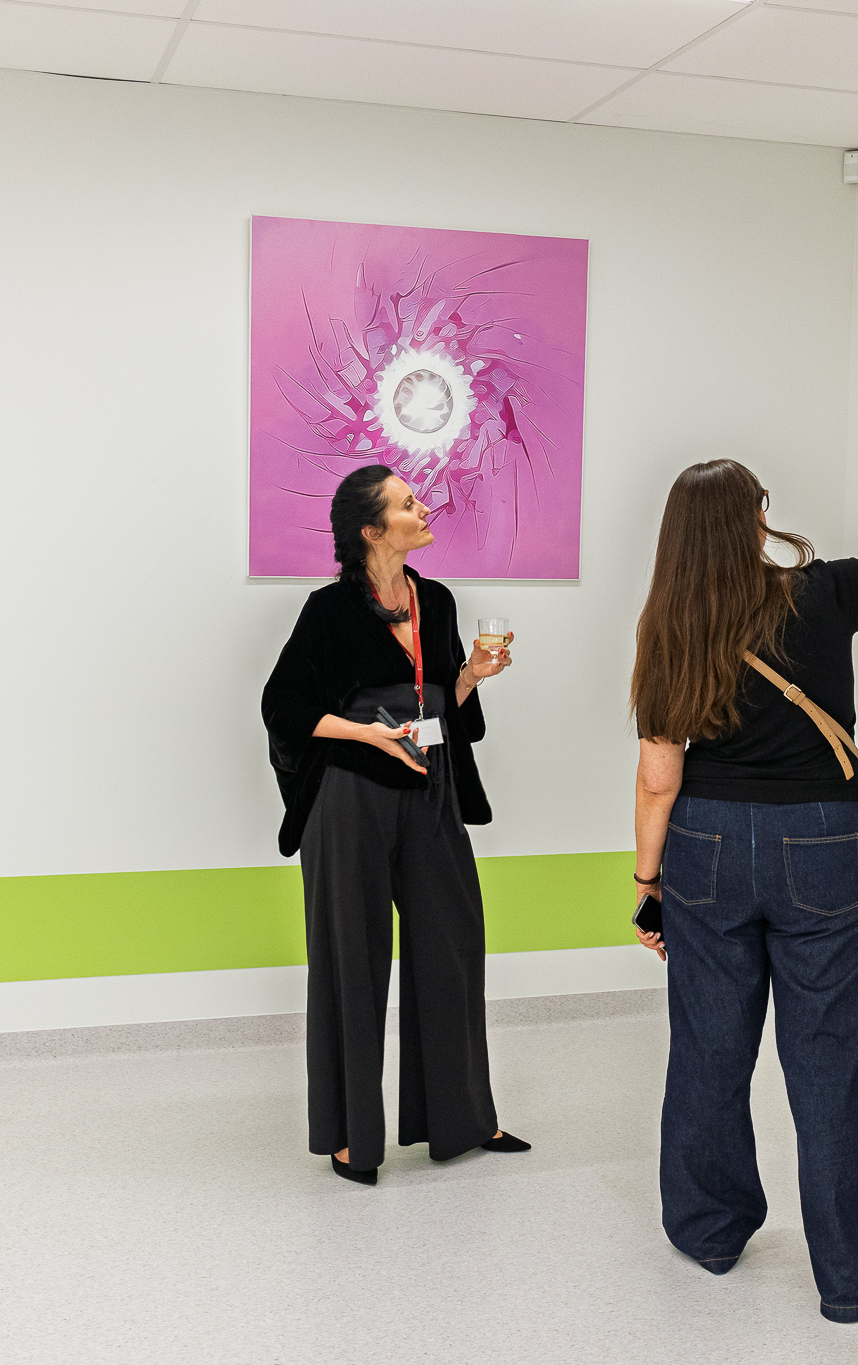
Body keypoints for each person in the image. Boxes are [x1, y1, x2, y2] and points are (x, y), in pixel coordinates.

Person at [627, 442, 858, 1322]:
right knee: (825, 1059)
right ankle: (856, 1276)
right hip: (828, 839)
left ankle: (709, 1228)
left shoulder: (668, 624)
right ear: (753, 519)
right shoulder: (823, 591)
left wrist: (648, 881)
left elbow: (659, 777)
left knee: (708, 1045)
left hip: (707, 843)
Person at [261, 464, 528, 1186]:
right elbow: (284, 709)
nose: (423, 508)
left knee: (453, 945)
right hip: (348, 795)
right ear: (373, 531)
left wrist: (470, 676)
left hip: (430, 788)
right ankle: (351, 1136)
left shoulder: (434, 600)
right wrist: (366, 734)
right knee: (352, 958)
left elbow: (443, 703)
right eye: (408, 504)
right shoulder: (328, 610)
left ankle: (465, 1117)